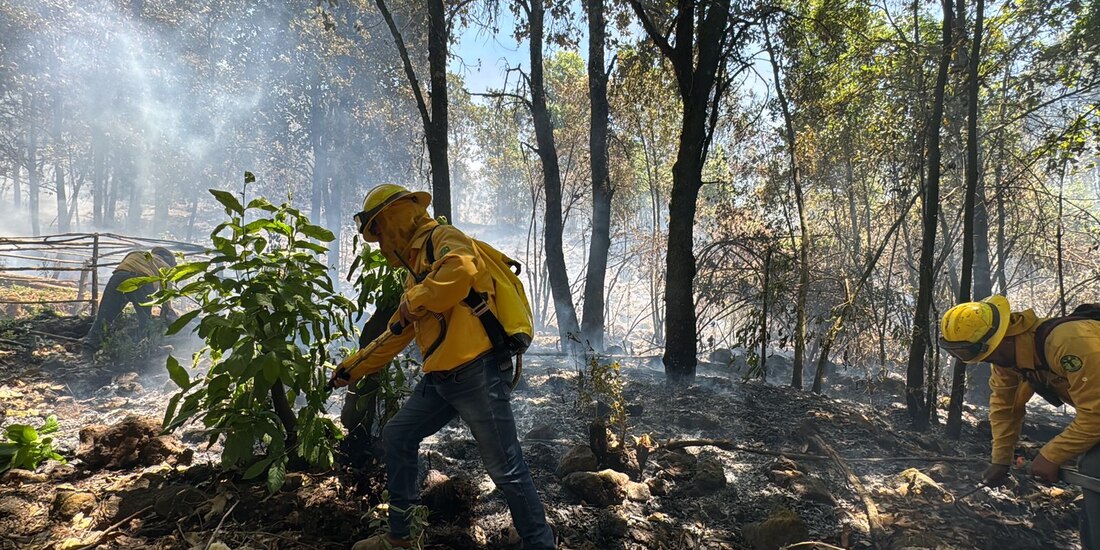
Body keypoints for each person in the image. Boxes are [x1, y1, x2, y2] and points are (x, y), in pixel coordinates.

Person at [332, 184, 555, 550]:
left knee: (506, 469)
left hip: (477, 374)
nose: (380, 238)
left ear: (395, 216)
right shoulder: (413, 272)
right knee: (398, 435)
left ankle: (540, 543)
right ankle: (400, 537)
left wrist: (414, 301)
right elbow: (397, 333)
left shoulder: (443, 238)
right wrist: (352, 368)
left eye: (379, 228)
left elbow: (461, 272)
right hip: (440, 380)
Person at [939, 295, 1100, 548]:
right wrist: (1000, 460)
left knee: (1094, 467)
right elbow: (1005, 409)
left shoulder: (1070, 342)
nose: (987, 361)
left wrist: (1051, 455)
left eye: (988, 353)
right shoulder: (1007, 358)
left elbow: (1097, 413)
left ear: (1004, 336)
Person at [83, 246, 178, 351]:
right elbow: (167, 293)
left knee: (105, 314)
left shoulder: (137, 253)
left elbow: (124, 270)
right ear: (169, 260)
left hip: (118, 277)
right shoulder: (166, 266)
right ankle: (146, 346)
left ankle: (91, 343)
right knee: (145, 318)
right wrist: (168, 311)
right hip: (142, 281)